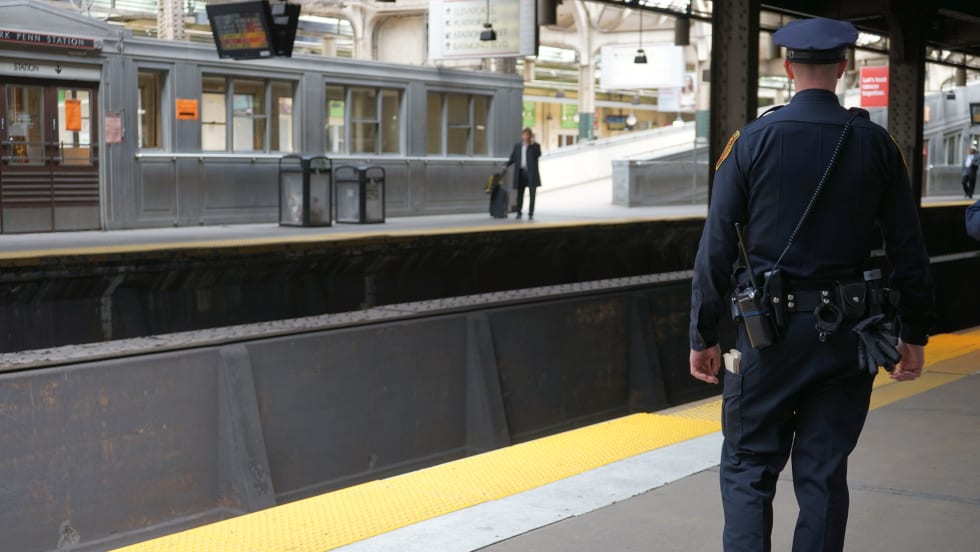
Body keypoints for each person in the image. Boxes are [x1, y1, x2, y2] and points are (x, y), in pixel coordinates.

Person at [688, 17, 935, 552]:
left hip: (765, 339)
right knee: (823, 474)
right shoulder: (877, 145)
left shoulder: (750, 142)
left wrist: (702, 334)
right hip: (847, 338)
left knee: (749, 467)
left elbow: (716, 248)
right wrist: (914, 333)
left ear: (787, 67)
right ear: (844, 67)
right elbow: (909, 251)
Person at [503, 127, 542, 219]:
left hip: (531, 174)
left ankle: (530, 213)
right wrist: (506, 165)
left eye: (528, 135)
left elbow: (538, 155)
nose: (526, 137)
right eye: (524, 135)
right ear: (522, 135)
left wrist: (532, 144)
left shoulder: (535, 146)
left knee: (532, 194)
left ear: (530, 136)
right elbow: (513, 158)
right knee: (520, 194)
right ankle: (519, 212)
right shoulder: (517, 146)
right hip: (521, 173)